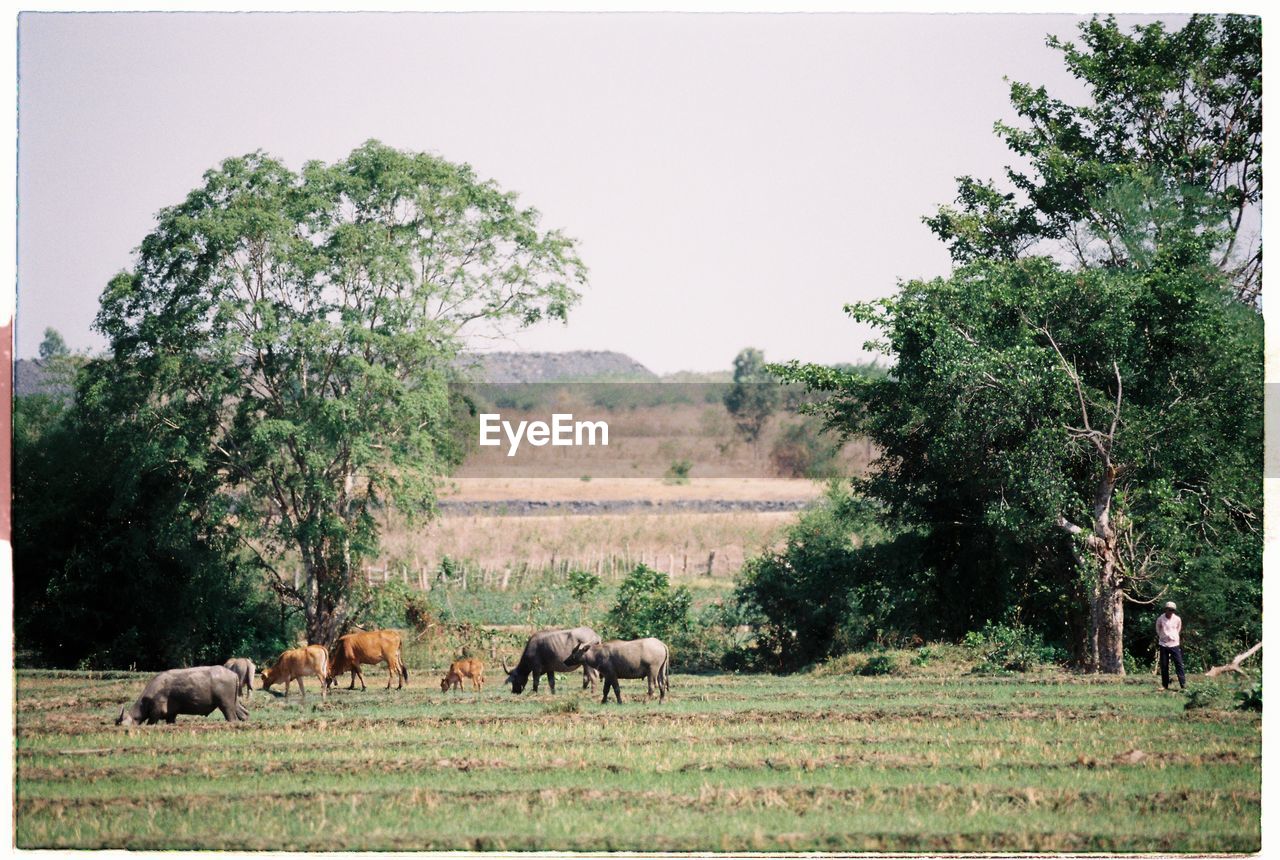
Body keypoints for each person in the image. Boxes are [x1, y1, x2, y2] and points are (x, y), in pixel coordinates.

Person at [1156, 601, 1186, 691]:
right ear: (1166, 609)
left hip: (1174, 644)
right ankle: (1165, 685)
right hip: (1163, 644)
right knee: (1164, 665)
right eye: (1169, 610)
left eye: (1172, 610)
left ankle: (1183, 684)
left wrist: (1173, 636)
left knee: (1179, 664)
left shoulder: (1177, 619)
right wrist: (1163, 637)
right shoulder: (1160, 619)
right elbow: (1158, 629)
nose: (1170, 612)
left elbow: (1178, 629)